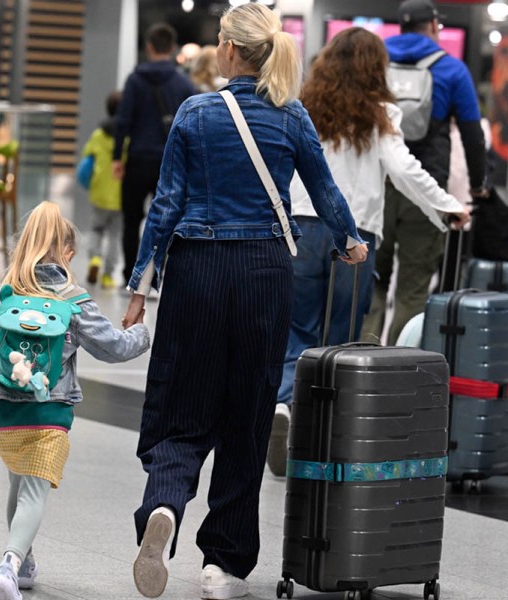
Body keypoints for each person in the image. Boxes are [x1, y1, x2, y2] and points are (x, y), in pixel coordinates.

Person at [120, 4, 368, 599]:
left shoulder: (195, 113)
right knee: (248, 410)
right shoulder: (290, 115)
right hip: (263, 271)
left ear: (228, 48)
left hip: (197, 270)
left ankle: (165, 505)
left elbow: (167, 205)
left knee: (183, 399)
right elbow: (324, 189)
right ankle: (223, 564)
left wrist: (138, 287)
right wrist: (349, 241)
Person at [267, 26, 468, 477]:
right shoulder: (380, 115)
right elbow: (404, 169)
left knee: (296, 328)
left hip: (298, 226)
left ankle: (282, 406)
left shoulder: (303, 109)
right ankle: (319, 434)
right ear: (375, 68)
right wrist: (448, 206)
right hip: (353, 235)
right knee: (339, 336)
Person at [0, 201, 150, 600]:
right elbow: (114, 348)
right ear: (66, 252)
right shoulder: (73, 300)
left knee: (18, 484)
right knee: (33, 490)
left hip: (4, 413)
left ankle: (26, 564)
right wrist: (142, 332)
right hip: (49, 411)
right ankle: (9, 565)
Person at [361, 0, 487, 346]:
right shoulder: (451, 69)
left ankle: (362, 364)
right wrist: (478, 187)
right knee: (413, 288)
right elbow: (473, 136)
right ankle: (399, 368)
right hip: (425, 189)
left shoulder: (375, 61)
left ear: (400, 27)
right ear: (433, 26)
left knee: (373, 280)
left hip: (378, 186)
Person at [113, 23, 196, 286]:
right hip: (169, 163)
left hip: (137, 159)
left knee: (131, 219)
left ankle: (130, 275)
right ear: (172, 49)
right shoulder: (183, 84)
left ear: (148, 47)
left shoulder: (135, 80)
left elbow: (122, 120)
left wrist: (117, 156)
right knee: (166, 220)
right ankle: (156, 276)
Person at [81, 90, 124, 289]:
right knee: (115, 236)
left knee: (96, 230)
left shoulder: (98, 135)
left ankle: (94, 259)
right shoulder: (128, 137)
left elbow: (87, 161)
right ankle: (108, 276)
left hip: (99, 192)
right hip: (120, 196)